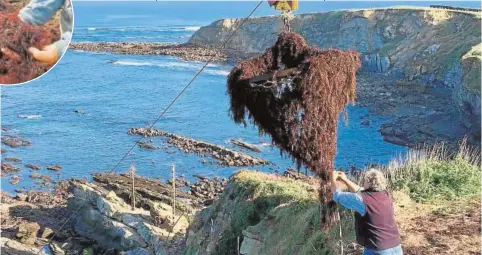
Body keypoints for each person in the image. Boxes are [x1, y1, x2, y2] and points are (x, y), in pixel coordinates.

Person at [331, 169, 403, 255]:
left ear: (368, 183)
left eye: (364, 180)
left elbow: (337, 195)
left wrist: (332, 179)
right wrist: (345, 180)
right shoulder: (386, 195)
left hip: (377, 249)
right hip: (396, 246)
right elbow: (360, 190)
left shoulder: (362, 201)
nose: (363, 182)